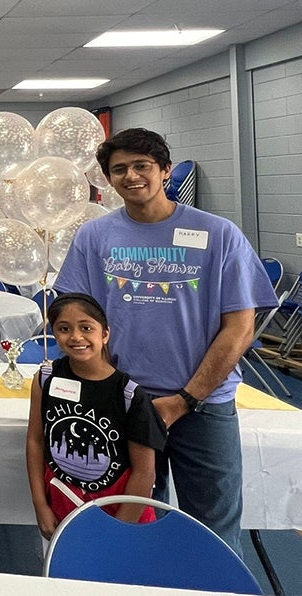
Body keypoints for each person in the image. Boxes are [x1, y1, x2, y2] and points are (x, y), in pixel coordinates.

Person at [54, 127, 277, 554]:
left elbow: (240, 328)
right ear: (109, 178)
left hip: (203, 405)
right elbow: (78, 318)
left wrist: (185, 400)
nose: (131, 176)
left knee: (212, 524)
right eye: (120, 169)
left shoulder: (218, 234)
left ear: (166, 171)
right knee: (134, 518)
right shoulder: (94, 237)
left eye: (142, 166)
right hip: (123, 403)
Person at [26, 293, 167, 540]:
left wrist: (119, 532)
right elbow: (36, 441)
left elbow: (145, 473)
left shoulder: (130, 395)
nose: (76, 337)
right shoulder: (46, 379)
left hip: (121, 511)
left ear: (105, 334)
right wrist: (40, 506)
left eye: (86, 328)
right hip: (64, 504)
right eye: (64, 328)